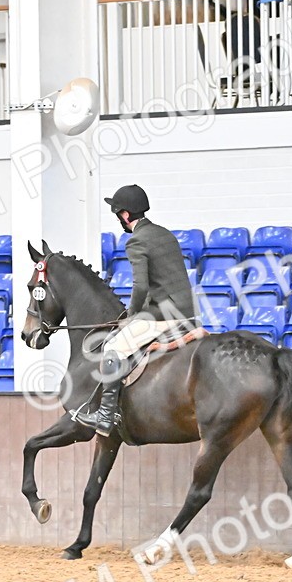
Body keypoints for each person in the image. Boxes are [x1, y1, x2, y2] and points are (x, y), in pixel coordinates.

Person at [86, 184, 199, 437]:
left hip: (164, 315)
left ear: (126, 215)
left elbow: (141, 285)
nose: (119, 219)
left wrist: (131, 315)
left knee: (112, 347)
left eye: (118, 214)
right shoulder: (165, 234)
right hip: (188, 310)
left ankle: (105, 415)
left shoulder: (136, 241)